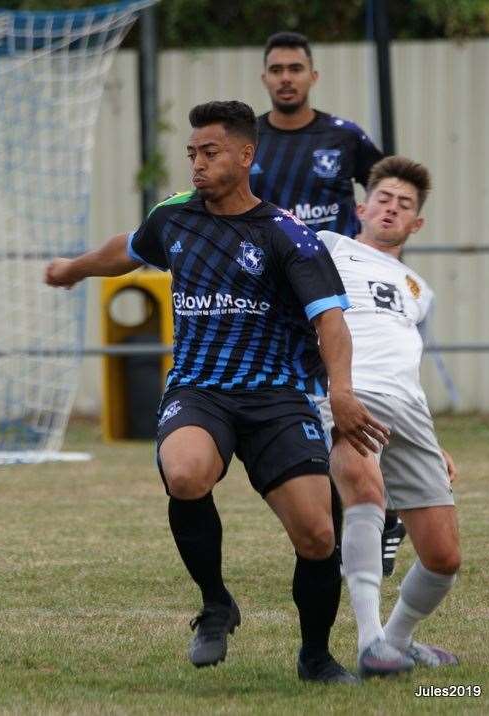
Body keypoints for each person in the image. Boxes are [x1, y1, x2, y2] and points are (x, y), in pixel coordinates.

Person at [44, 100, 389, 683]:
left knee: (317, 534)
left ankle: (315, 657)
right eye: (192, 154)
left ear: (245, 155)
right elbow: (123, 250)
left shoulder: (287, 236)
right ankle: (215, 604)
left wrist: (343, 391)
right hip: (200, 390)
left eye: (210, 152)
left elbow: (331, 321)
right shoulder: (175, 218)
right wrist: (74, 268)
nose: (197, 165)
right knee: (184, 473)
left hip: (277, 397)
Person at [254, 30, 405, 577]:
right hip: (272, 300)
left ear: (313, 75)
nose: (287, 77)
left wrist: (383, 258)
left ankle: (379, 514)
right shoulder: (248, 140)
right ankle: (356, 521)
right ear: (265, 77)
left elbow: (390, 198)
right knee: (305, 415)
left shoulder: (344, 138)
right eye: (277, 69)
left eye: (296, 67)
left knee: (348, 405)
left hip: (338, 299)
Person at [317, 156, 461, 678]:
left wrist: (435, 441)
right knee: (367, 494)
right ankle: (370, 640)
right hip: (350, 394)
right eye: (383, 198)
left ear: (415, 223)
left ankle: (398, 640)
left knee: (443, 558)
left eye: (404, 204)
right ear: (362, 207)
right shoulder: (329, 249)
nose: (391, 208)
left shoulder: (421, 291)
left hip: (410, 412)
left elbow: (408, 362)